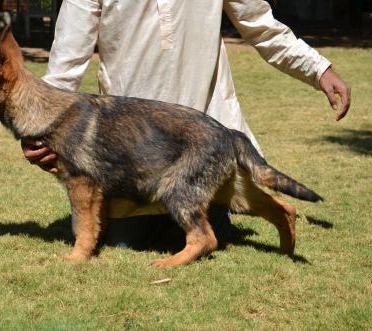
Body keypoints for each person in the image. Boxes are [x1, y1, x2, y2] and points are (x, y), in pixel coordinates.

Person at [22, 0, 351, 248]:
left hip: (201, 160)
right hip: (129, 162)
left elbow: (261, 24)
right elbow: (66, 63)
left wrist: (318, 69)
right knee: (126, 244)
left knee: (206, 233)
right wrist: (43, 131)